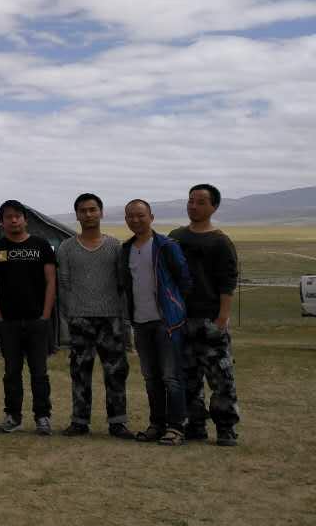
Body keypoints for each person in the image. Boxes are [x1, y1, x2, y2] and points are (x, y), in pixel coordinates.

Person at [170, 184, 241, 446]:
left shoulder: (220, 242)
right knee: (187, 376)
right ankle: (194, 424)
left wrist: (222, 319)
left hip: (210, 318)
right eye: (191, 201)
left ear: (214, 206)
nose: (194, 206)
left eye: (201, 202)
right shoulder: (176, 237)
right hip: (181, 319)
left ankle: (225, 427)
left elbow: (227, 282)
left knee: (220, 377)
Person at [57, 194, 132, 439]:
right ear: (77, 215)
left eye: (92, 209)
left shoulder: (115, 247)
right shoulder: (67, 248)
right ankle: (79, 421)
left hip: (111, 319)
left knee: (116, 372)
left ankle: (118, 423)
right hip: (79, 318)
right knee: (79, 371)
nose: (88, 215)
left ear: (101, 212)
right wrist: (70, 314)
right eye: (83, 211)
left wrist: (123, 318)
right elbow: (64, 283)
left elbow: (122, 283)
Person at [121, 199, 192, 445]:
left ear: (151, 217)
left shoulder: (166, 246)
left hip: (167, 322)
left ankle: (176, 427)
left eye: (140, 215)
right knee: (151, 378)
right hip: (141, 322)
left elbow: (184, 280)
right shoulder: (126, 249)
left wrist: (177, 309)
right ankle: (156, 424)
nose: (135, 220)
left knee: (171, 377)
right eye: (130, 216)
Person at [0, 200, 57, 435]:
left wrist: (45, 316)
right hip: (9, 322)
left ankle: (43, 417)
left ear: (26, 219)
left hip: (37, 320)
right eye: (8, 217)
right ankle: (13, 416)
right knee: (11, 373)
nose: (13, 220)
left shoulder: (41, 245)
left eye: (17, 216)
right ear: (2, 222)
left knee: (39, 373)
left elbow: (51, 282)